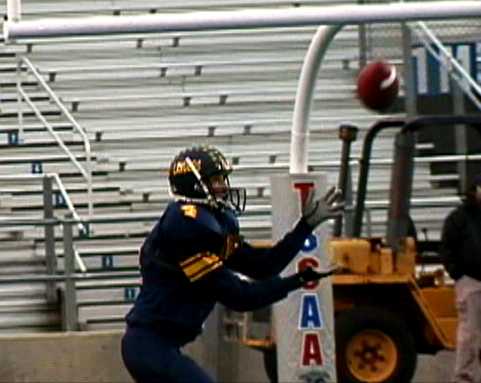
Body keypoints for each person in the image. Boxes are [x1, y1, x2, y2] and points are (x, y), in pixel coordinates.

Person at [121, 145, 342, 383]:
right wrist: (295, 281)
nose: (224, 187)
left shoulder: (209, 224)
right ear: (194, 185)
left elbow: (261, 266)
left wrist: (305, 226)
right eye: (216, 180)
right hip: (149, 347)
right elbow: (240, 297)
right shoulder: (185, 228)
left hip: (159, 347)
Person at [441, 173, 481, 383]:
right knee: (469, 333)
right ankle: (464, 377)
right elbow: (447, 247)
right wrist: (457, 273)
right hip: (470, 280)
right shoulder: (458, 218)